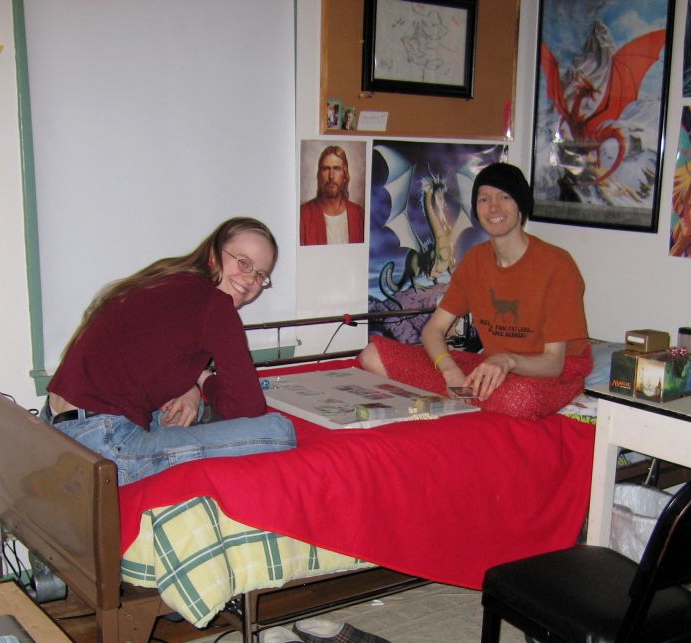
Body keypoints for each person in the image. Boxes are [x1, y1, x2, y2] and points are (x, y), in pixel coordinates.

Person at [43, 217, 296, 486]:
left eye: (260, 274)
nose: (250, 279)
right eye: (243, 262)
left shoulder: (169, 280)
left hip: (59, 429)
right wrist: (205, 380)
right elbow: (248, 408)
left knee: (189, 411)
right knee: (280, 430)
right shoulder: (216, 305)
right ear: (213, 255)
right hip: (104, 447)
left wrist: (192, 388)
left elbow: (152, 359)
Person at [357, 162, 592, 420]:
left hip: (551, 374)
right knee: (373, 355)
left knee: (519, 399)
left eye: (504, 197)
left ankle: (469, 396)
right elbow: (433, 330)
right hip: (491, 367)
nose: (494, 207)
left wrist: (508, 361)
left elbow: (554, 363)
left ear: (521, 205)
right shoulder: (475, 261)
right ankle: (468, 393)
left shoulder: (557, 265)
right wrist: (450, 371)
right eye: (484, 199)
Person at [299, 145, 365, 246]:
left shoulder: (359, 215)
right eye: (326, 169)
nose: (331, 176)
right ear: (319, 175)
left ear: (345, 175)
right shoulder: (303, 215)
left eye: (337, 169)